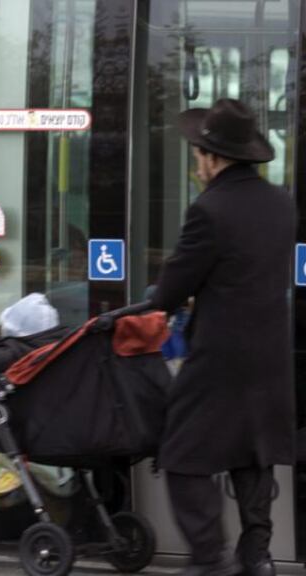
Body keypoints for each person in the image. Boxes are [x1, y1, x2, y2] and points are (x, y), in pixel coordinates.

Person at [150, 98, 295, 576]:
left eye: (197, 153)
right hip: (272, 358)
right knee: (253, 455)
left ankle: (209, 557)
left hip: (219, 359)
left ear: (214, 157)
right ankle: (257, 556)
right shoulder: (282, 205)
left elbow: (172, 290)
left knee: (181, 454)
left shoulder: (208, 210)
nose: (195, 162)